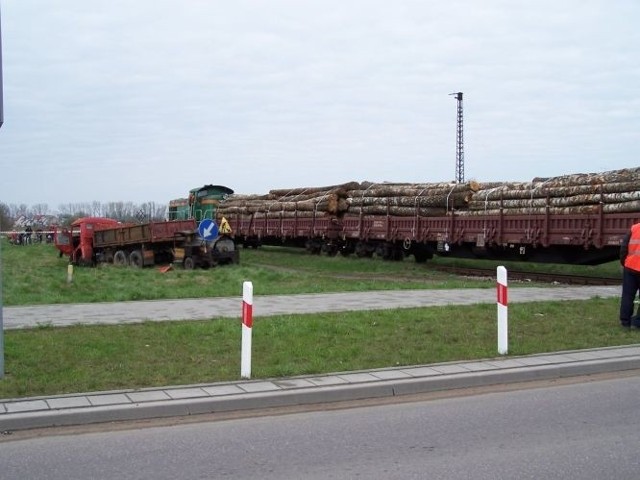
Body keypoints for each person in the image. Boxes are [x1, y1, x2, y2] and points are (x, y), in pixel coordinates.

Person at [620, 222, 640, 328]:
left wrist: (625, 263)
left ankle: (625, 322)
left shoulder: (634, 228)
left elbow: (624, 248)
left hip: (630, 267)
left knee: (627, 296)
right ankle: (638, 323)